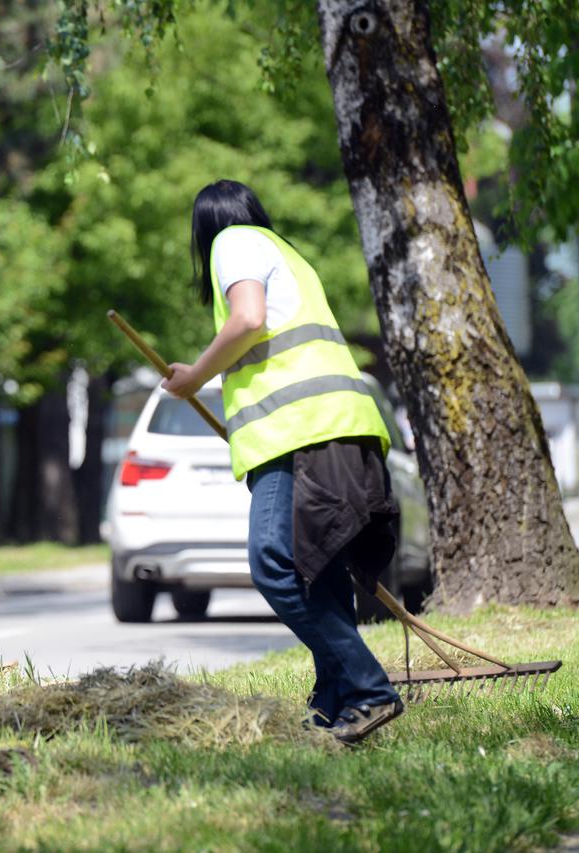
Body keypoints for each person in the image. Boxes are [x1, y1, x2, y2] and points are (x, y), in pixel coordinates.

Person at [161, 180, 403, 745]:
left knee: (272, 561)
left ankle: (368, 688)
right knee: (316, 568)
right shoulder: (288, 253)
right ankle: (334, 704)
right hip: (343, 425)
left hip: (300, 434)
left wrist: (195, 375)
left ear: (206, 227)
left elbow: (247, 319)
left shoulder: (234, 242)